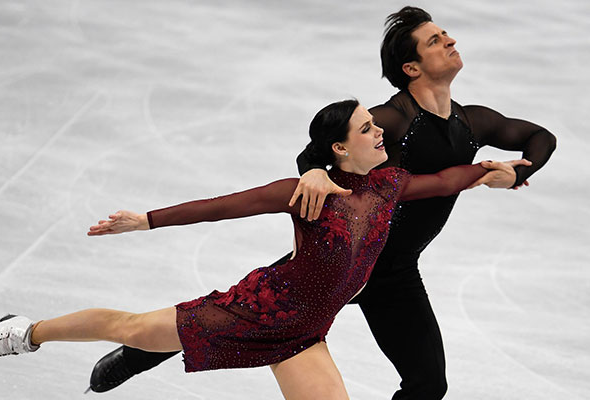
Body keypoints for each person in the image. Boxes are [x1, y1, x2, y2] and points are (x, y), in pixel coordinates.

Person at [85, 6, 557, 399]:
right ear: (411, 68)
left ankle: (147, 347)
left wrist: (518, 171)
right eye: (435, 40)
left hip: (394, 273)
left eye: (446, 34)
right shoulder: (389, 121)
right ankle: (141, 351)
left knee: (428, 384)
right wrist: (312, 171)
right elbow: (320, 150)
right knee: (236, 312)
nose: (450, 41)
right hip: (333, 258)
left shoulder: (472, 121)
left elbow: (540, 137)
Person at [0, 99, 523, 399]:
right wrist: (146, 220)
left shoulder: (390, 185)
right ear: (339, 148)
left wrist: (491, 171)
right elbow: (223, 206)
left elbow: (445, 181)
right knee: (130, 327)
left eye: (377, 126)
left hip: (303, 333)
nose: (380, 133)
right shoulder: (304, 193)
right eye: (367, 128)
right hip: (255, 308)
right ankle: (24, 331)